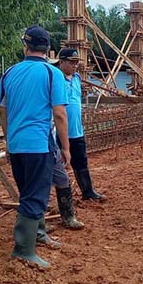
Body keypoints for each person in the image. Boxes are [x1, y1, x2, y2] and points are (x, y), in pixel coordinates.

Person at [0, 26, 69, 269]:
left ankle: (38, 233)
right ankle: (23, 249)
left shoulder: (9, 73)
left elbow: (3, 110)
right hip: (38, 144)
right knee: (35, 194)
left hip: (17, 144)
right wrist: (66, 147)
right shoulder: (52, 74)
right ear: (48, 49)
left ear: (25, 46)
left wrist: (9, 139)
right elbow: (59, 114)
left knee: (29, 190)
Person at [53, 48, 107, 202]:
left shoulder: (76, 78)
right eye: (71, 62)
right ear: (61, 62)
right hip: (59, 131)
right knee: (58, 166)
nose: (75, 65)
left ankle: (88, 191)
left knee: (81, 162)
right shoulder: (55, 79)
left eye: (76, 62)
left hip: (76, 130)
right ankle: (62, 199)